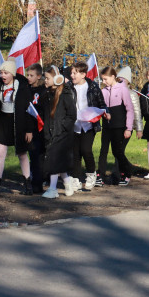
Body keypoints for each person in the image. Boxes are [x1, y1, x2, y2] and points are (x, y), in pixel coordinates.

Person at [0, 60, 32, 196]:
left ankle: (28, 183)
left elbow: (29, 110)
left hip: (19, 122)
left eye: (6, 73)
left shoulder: (22, 86)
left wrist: (29, 130)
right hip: (3, 122)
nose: (3, 75)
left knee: (22, 153)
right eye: (1, 73)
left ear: (12, 74)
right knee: (0, 153)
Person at [39, 65, 80, 198]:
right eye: (45, 78)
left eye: (47, 78)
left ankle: (52, 189)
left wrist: (63, 127)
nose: (45, 80)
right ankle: (68, 183)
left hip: (62, 133)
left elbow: (72, 115)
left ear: (57, 79)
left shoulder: (65, 94)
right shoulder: (46, 94)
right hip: (50, 132)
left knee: (53, 160)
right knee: (57, 161)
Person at [68, 61, 107, 190]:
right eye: (71, 73)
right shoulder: (68, 87)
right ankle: (75, 179)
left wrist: (105, 112)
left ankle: (91, 174)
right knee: (75, 153)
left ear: (83, 74)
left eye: (75, 73)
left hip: (89, 125)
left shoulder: (93, 87)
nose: (72, 75)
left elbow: (101, 103)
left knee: (86, 150)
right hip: (74, 125)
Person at [98, 66, 135, 186]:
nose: (104, 82)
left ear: (113, 76)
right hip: (107, 126)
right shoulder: (103, 91)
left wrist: (128, 128)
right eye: (102, 79)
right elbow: (101, 107)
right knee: (103, 150)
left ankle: (127, 172)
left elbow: (130, 109)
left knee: (117, 152)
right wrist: (104, 113)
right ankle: (100, 175)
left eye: (105, 79)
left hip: (119, 126)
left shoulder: (123, 89)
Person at [24, 63, 48, 194]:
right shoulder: (27, 88)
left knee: (39, 156)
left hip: (40, 127)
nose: (28, 77)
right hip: (30, 127)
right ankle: (37, 180)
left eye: (31, 75)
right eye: (27, 75)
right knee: (33, 156)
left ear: (39, 76)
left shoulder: (43, 91)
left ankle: (38, 183)